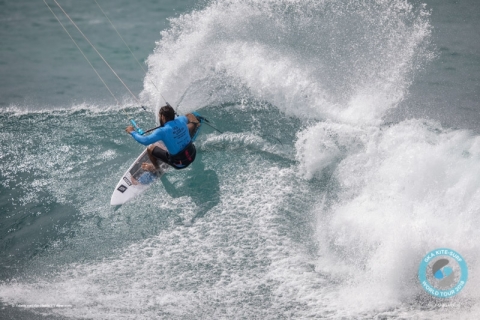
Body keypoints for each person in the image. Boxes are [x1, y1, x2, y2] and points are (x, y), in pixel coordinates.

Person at [125, 105, 200, 170]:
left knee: (150, 148)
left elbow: (145, 141)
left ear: (163, 117)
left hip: (180, 164)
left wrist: (132, 132)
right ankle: (196, 123)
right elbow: (188, 116)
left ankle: (156, 169)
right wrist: (193, 120)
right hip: (192, 154)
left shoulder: (162, 131)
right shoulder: (181, 120)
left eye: (159, 116)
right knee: (187, 127)